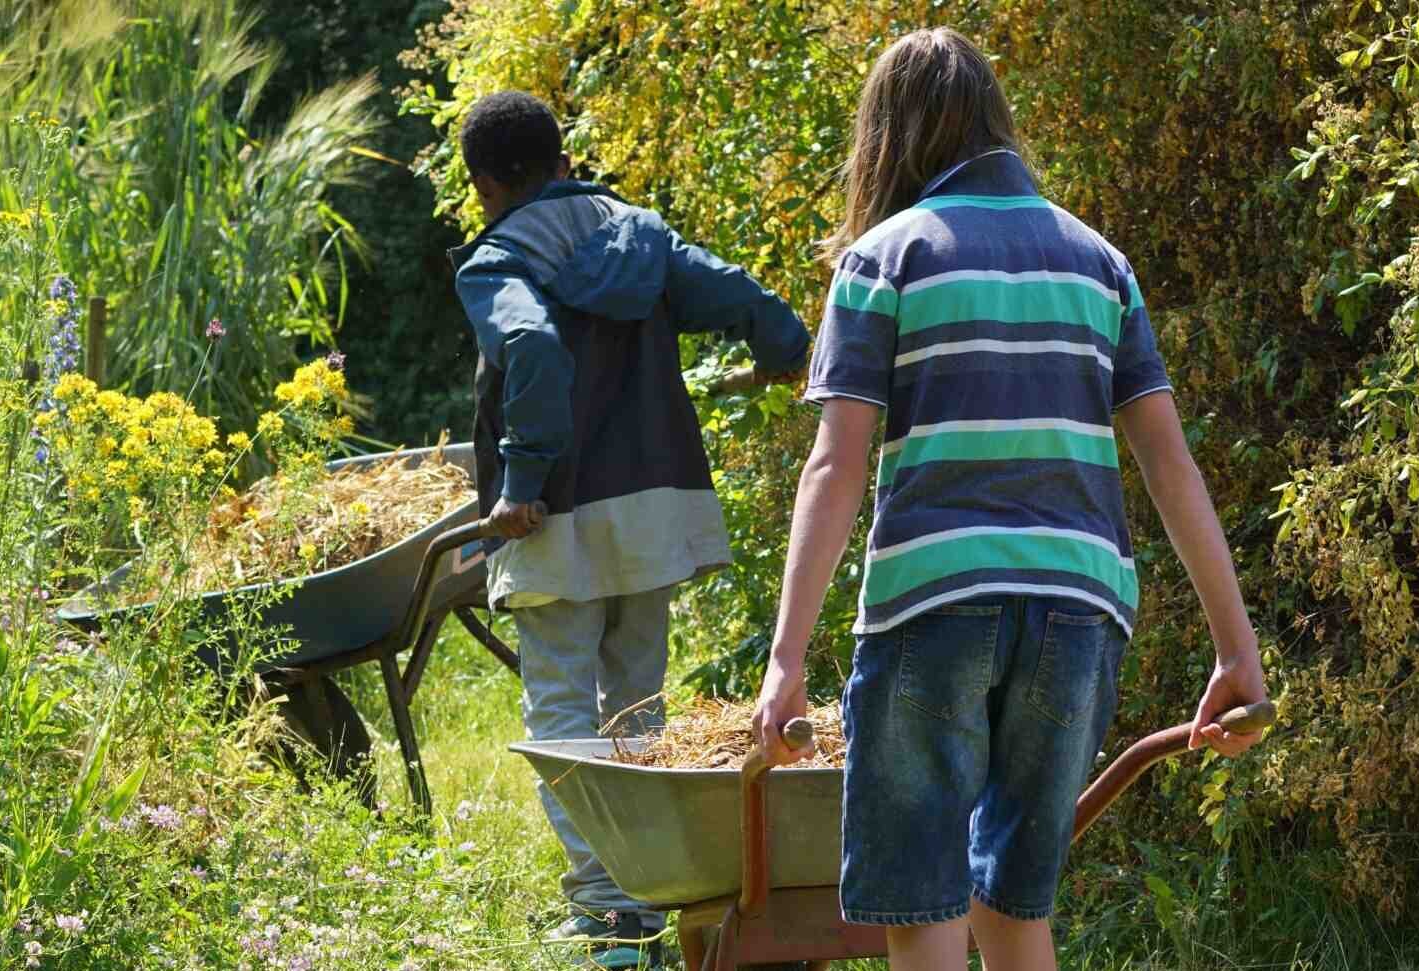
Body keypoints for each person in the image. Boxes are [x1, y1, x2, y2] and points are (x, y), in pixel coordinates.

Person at [750, 27, 1269, 971]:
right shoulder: (1098, 262)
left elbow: (836, 466)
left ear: (888, 139)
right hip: (1078, 614)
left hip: (933, 606)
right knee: (1014, 907)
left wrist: (785, 661)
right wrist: (1238, 647)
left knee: (924, 910)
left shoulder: (884, 259)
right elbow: (1169, 462)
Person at [449, 90, 811, 969]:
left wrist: (523, 478)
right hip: (654, 503)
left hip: (556, 513)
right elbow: (739, 292)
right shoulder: (638, 235)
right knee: (638, 707)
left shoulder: (495, 260)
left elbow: (530, 350)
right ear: (565, 160)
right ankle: (647, 887)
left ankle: (608, 909)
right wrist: (786, 352)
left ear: (487, 185)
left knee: (563, 708)